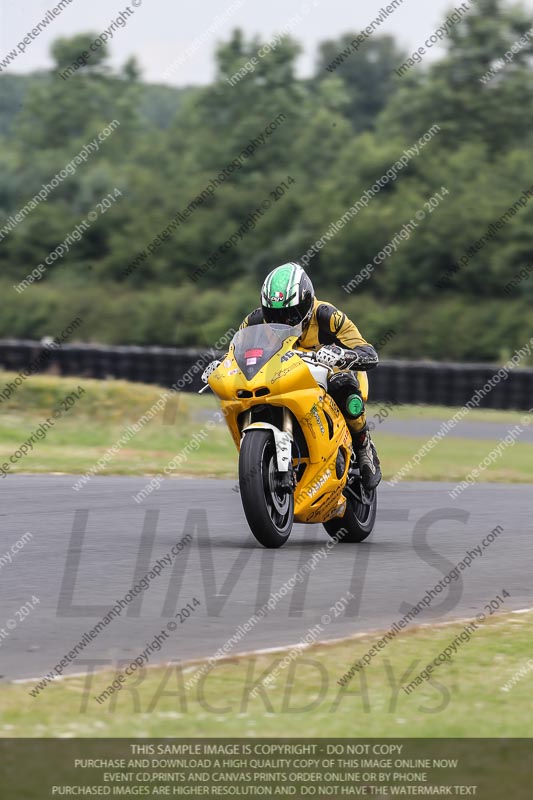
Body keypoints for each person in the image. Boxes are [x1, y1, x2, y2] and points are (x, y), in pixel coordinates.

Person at [205, 263, 382, 490]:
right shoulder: (255, 320)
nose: (283, 320)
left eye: (290, 313)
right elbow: (237, 352)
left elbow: (368, 353)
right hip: (283, 377)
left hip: (326, 373)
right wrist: (222, 364)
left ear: (307, 302)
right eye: (275, 314)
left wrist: (342, 355)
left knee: (344, 385)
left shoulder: (328, 316)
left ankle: (363, 445)